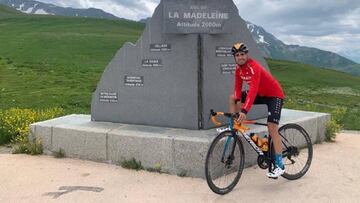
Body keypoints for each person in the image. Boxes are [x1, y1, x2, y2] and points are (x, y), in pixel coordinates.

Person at [229, 42, 285, 178]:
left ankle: (280, 164)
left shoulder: (254, 67)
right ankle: (234, 126)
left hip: (274, 95)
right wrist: (237, 106)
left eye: (242, 54)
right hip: (261, 94)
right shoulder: (238, 69)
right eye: (237, 55)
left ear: (246, 55)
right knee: (233, 97)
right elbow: (237, 89)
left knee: (272, 127)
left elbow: (252, 91)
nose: (240, 57)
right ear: (235, 57)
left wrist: (245, 111)